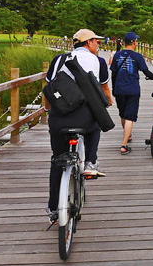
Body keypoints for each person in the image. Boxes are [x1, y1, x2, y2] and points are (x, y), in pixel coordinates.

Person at [44, 29, 112, 220]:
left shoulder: (58, 60)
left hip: (59, 117)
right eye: (96, 41)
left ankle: (53, 208)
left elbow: (49, 89)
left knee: (58, 159)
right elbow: (104, 88)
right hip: (85, 118)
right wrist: (109, 99)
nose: (98, 45)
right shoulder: (98, 62)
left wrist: (49, 110)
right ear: (88, 42)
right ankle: (90, 161)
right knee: (96, 124)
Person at [111, 32, 153, 154]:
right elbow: (147, 73)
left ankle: (127, 135)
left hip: (119, 89)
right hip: (132, 90)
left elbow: (113, 74)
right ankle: (124, 146)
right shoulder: (137, 56)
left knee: (123, 114)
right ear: (134, 42)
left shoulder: (117, 55)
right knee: (130, 116)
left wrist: (114, 89)